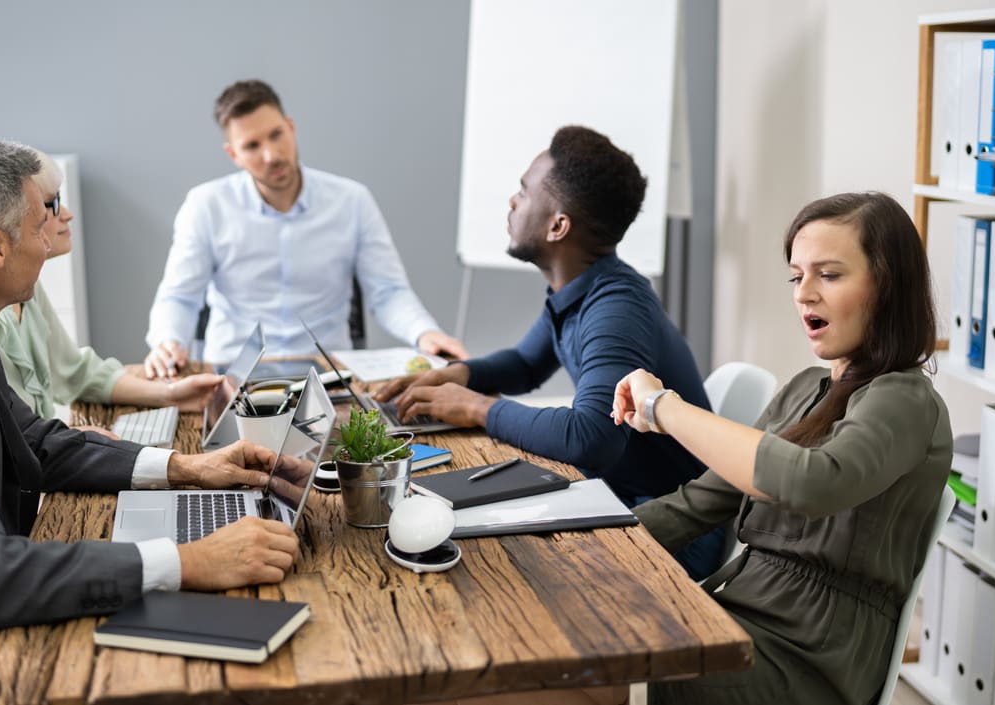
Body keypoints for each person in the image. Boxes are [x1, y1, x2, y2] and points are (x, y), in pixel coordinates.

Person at [0, 141, 300, 704]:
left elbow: (32, 442)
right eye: (40, 222)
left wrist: (186, 466)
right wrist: (190, 560)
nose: (51, 238)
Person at [611, 192, 952, 704]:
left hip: (813, 654)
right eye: (797, 277)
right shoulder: (802, 389)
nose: (804, 294)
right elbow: (698, 504)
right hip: (741, 609)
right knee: (564, 644)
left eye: (829, 275)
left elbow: (814, 481)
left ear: (887, 286)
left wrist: (666, 409)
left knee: (588, 665)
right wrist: (582, 546)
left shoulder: (904, 398)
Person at [376, 125, 720, 579]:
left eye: (523, 191)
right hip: (620, 495)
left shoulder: (614, 309)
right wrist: (457, 376)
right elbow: (525, 363)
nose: (512, 202)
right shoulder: (581, 290)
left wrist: (478, 407)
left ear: (559, 225)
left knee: (497, 570)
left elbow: (591, 437)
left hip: (673, 529)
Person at [144, 79, 467, 378]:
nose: (271, 155)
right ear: (234, 154)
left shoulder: (352, 201)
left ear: (291, 127)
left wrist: (425, 332)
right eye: (252, 146)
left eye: (276, 135)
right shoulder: (206, 205)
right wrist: (168, 341)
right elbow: (180, 296)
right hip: (233, 374)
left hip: (327, 373)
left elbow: (388, 291)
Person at [0, 151, 224, 433]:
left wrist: (168, 394)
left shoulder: (28, 287)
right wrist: (73, 437)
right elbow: (19, 437)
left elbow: (76, 372)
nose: (67, 214)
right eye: (52, 204)